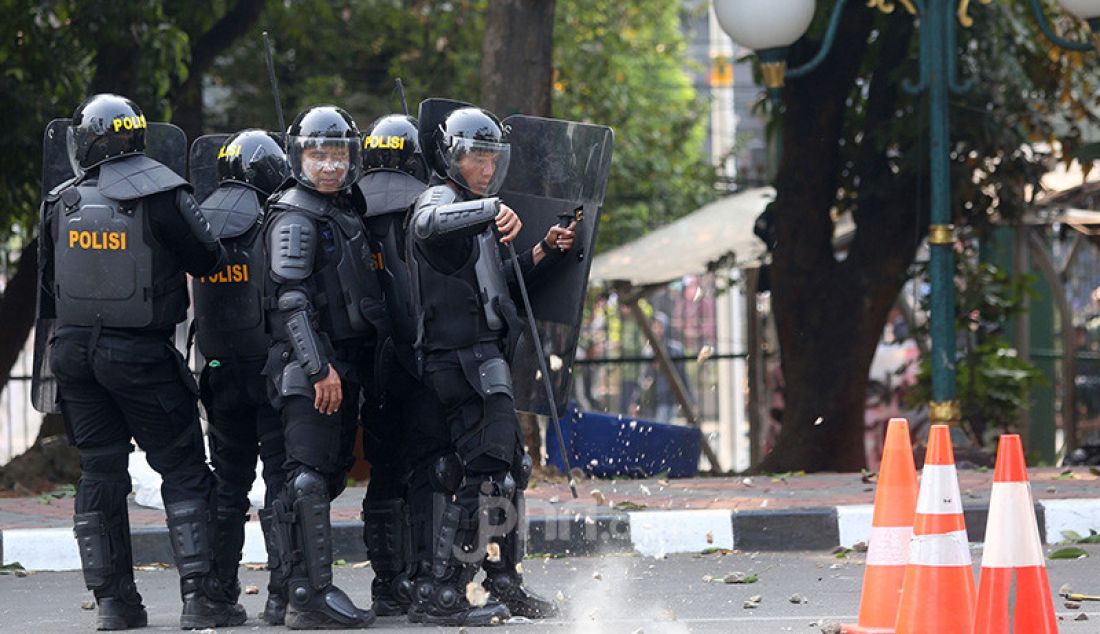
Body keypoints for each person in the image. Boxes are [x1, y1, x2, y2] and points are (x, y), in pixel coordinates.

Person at [36, 94, 246, 630]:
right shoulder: (163, 193)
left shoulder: (60, 200)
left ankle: (113, 604)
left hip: (75, 355)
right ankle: (202, 599)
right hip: (141, 355)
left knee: (100, 471)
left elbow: (47, 283)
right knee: (182, 470)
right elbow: (208, 259)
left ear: (84, 142)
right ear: (138, 136)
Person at [406, 106, 573, 625]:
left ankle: (504, 581)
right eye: (476, 158)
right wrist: (488, 208)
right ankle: (445, 589)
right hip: (459, 360)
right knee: (484, 473)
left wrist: (544, 249)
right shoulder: (443, 198)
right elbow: (428, 223)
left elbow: (496, 280)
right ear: (452, 158)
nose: (485, 168)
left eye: (492, 158)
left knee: (508, 471)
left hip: (488, 358)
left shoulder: (477, 209)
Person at [261, 105, 384, 629]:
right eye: (318, 154)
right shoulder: (297, 213)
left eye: (338, 154)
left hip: (341, 364)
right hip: (310, 366)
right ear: (299, 156)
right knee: (307, 479)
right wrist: (318, 368)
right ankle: (312, 596)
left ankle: (285, 595)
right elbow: (291, 300)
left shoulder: (339, 209)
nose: (330, 165)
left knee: (321, 479)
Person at [190, 129, 290, 624]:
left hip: (216, 372)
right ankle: (282, 595)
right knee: (280, 482)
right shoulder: (273, 216)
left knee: (228, 486)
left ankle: (214, 595)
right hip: (269, 369)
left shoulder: (200, 215)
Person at [354, 113, 449, 617]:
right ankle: (425, 579)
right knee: (429, 469)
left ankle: (388, 585)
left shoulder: (346, 205)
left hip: (365, 362)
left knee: (385, 473)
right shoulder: (428, 205)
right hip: (422, 354)